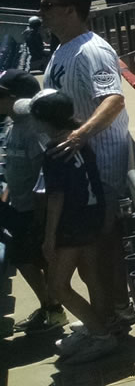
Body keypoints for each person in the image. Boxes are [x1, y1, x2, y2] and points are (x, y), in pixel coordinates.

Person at [37, 0, 133, 328]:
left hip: (100, 167)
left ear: (69, 10)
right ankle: (104, 318)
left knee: (103, 248)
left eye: (48, 6)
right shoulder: (62, 50)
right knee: (88, 254)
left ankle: (117, 315)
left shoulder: (92, 50)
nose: (41, 12)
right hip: (79, 171)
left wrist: (79, 135)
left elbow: (113, 98)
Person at [15, 90, 118, 363]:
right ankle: (100, 324)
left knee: (59, 285)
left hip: (72, 225)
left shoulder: (55, 151)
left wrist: (49, 238)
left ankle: (100, 336)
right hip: (92, 217)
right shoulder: (80, 139)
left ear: (45, 120)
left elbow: (56, 197)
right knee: (91, 276)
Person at [0, 69, 65, 334]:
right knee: (23, 257)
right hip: (19, 206)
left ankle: (54, 310)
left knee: (36, 259)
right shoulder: (13, 124)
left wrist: (43, 220)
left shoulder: (32, 128)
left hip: (35, 212)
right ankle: (50, 307)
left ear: (15, 98)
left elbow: (45, 176)